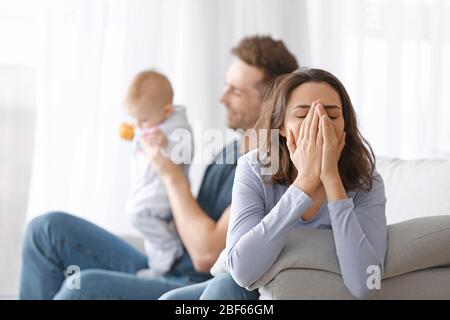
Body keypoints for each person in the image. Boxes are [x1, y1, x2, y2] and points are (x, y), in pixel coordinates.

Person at [19, 35, 299, 299]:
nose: (222, 97)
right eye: (226, 86)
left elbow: (205, 255)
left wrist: (170, 174)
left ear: (269, 100)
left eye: (235, 91)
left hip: (193, 282)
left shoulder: (271, 165)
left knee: (81, 287)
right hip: (170, 263)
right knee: (46, 230)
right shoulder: (231, 150)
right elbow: (186, 219)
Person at [161, 68, 387, 300]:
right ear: (280, 126)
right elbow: (242, 271)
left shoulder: (366, 181)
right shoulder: (254, 168)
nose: (319, 125)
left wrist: (331, 179)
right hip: (252, 285)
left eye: (331, 116)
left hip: (308, 287)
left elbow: (365, 284)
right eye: (302, 116)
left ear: (345, 127)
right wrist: (303, 185)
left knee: (223, 290)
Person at [123, 70, 193, 278]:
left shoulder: (178, 129)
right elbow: (143, 138)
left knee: (136, 212)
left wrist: (166, 145)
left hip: (166, 190)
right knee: (138, 213)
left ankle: (169, 250)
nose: (137, 125)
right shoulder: (155, 121)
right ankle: (160, 256)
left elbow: (183, 155)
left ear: (167, 111)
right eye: (134, 120)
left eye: (142, 120)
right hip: (151, 184)